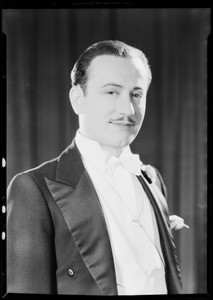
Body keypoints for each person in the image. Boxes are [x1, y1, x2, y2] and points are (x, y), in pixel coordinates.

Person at [7, 40, 187, 295]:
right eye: (112, 92)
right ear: (78, 99)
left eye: (136, 94)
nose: (127, 109)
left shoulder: (153, 179)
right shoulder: (32, 189)